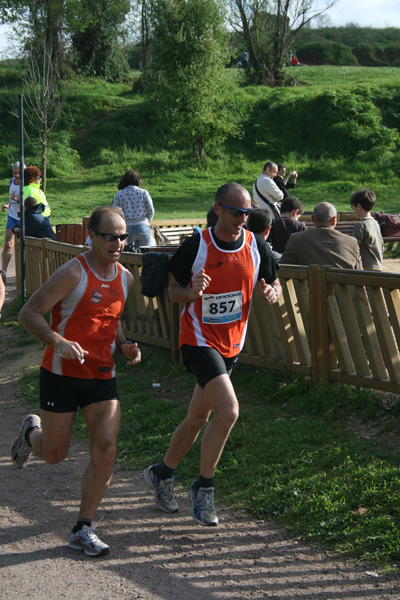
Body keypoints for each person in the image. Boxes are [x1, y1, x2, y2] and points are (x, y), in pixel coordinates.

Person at [144, 182, 282, 527]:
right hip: (198, 339)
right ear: (218, 209)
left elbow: (274, 282)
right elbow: (171, 290)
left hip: (232, 344)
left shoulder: (256, 245)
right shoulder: (198, 245)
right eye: (236, 212)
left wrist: (271, 291)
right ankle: (204, 489)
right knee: (229, 411)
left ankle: (161, 474)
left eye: (247, 213)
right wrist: (190, 291)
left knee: (196, 419)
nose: (242, 219)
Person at [11, 206, 141, 557]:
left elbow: (111, 322)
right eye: (110, 236)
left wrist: (124, 345)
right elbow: (29, 313)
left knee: (106, 449)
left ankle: (83, 527)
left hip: (101, 376)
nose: (118, 243)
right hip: (61, 375)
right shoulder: (73, 273)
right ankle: (29, 433)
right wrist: (58, 342)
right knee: (54, 455)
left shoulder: (125, 278)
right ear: (92, 236)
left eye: (123, 236)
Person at [280, 202, 362, 269]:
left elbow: (282, 269)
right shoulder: (352, 242)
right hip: (343, 289)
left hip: (308, 289)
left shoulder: (296, 239)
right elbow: (360, 274)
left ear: (313, 219)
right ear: (334, 220)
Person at [112, 169, 154, 248]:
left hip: (127, 228)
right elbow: (151, 210)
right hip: (143, 227)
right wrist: (147, 220)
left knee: (128, 255)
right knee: (146, 255)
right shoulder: (143, 192)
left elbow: (115, 213)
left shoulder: (119, 194)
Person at [350, 188, 384, 271]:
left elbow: (353, 246)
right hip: (378, 266)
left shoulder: (361, 225)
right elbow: (382, 245)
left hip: (366, 267)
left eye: (353, 207)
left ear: (359, 206)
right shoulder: (375, 223)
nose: (353, 210)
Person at [1, 161, 23, 283]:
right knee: (8, 244)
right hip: (12, 216)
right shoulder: (11, 181)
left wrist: (18, 201)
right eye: (15, 172)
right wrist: (8, 204)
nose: (17, 175)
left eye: (19, 173)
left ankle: (22, 275)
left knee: (23, 245)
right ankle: (3, 272)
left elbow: (29, 202)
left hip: (23, 218)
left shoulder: (26, 185)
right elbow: (11, 197)